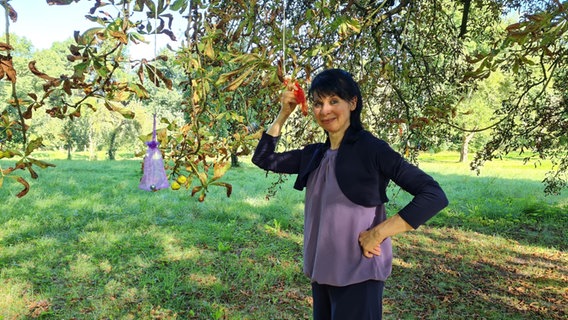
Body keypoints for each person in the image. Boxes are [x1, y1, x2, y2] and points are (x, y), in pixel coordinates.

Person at [252, 68, 448, 319]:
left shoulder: (372, 149)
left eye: (334, 101)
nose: (325, 110)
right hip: (322, 274)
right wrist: (283, 114)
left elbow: (433, 195)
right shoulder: (315, 155)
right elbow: (263, 158)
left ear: (352, 103)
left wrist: (378, 233)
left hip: (359, 275)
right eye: (318, 103)